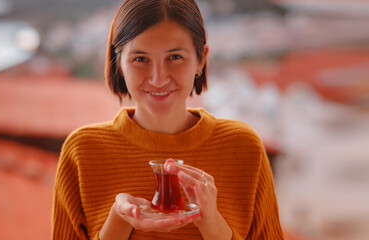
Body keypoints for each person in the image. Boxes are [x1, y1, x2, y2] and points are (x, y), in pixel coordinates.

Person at [51, 0, 285, 239]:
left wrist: (212, 224)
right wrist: (118, 221)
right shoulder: (82, 151)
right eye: (140, 59)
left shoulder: (243, 148)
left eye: (174, 57)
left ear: (201, 60)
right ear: (118, 63)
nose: (158, 79)